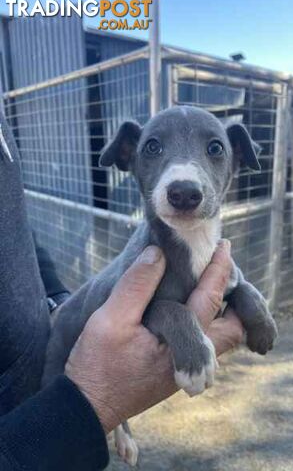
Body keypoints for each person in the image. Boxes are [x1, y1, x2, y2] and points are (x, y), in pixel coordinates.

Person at [0, 111, 243, 470]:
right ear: (129, 154)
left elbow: (14, 232)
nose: (184, 180)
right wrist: (91, 405)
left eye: (214, 148)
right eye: (154, 147)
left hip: (43, 352)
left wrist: (53, 298)